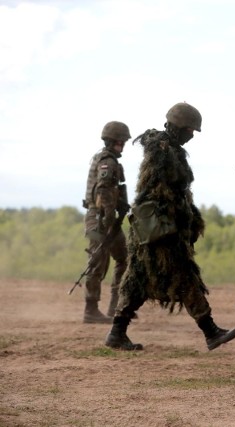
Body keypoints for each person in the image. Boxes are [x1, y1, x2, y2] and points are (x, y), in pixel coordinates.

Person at [105, 102, 235, 351]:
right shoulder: (161, 150)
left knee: (138, 279)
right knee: (182, 275)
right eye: (189, 130)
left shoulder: (169, 149)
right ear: (177, 127)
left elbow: (176, 193)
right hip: (160, 229)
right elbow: (159, 193)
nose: (192, 136)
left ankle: (117, 332)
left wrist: (190, 218)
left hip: (157, 228)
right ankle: (210, 331)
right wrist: (177, 220)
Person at [81, 121, 131, 324]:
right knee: (97, 262)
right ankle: (91, 310)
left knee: (123, 258)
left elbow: (109, 190)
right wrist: (109, 220)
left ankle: (115, 306)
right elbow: (102, 190)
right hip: (100, 219)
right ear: (116, 141)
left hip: (103, 218)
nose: (124, 145)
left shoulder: (102, 158)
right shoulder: (108, 162)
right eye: (122, 141)